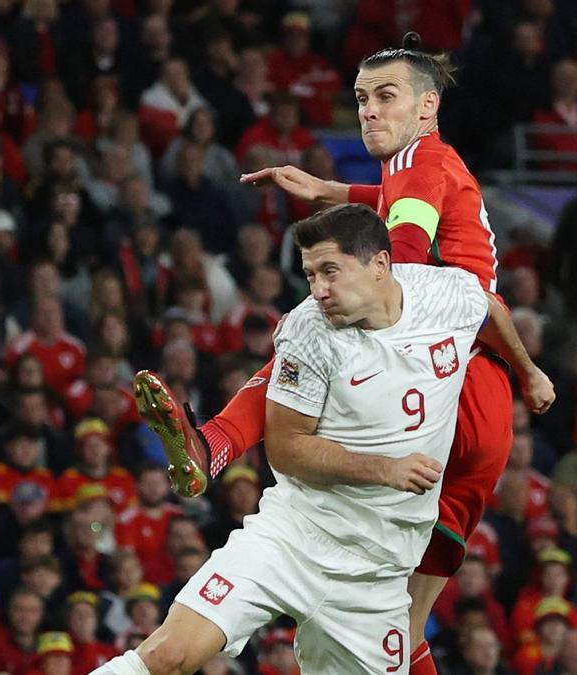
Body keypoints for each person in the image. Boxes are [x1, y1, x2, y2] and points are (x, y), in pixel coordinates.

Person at [136, 35, 557, 674]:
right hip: (480, 412)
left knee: (316, 334)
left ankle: (214, 444)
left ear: (427, 106)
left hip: (440, 389)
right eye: (361, 99)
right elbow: (406, 213)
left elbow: (405, 256)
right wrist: (331, 190)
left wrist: (346, 277)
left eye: (386, 97)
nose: (369, 112)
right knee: (401, 627)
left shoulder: (418, 167)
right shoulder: (429, 163)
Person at [97, 204, 537, 674]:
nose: (318, 291)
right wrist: (383, 468)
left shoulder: (446, 295)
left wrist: (530, 374)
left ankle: (213, 444)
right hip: (293, 539)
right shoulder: (307, 331)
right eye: (309, 275)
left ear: (380, 266)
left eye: (330, 271)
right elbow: (287, 449)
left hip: (377, 578)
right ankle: (213, 444)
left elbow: (489, 309)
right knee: (168, 655)